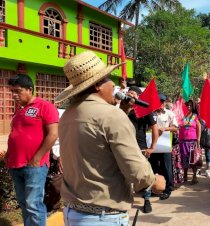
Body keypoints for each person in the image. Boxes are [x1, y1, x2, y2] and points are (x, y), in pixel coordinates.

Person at [54, 51, 165, 225]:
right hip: (102, 216)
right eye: (108, 78)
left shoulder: (68, 115)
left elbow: (96, 146)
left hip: (73, 212)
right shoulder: (111, 116)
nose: (113, 85)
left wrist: (122, 112)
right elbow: (135, 170)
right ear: (98, 84)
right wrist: (154, 182)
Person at [6, 74, 59, 226]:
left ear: (30, 89)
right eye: (12, 92)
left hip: (34, 165)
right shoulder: (19, 111)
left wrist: (37, 158)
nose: (14, 95)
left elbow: (53, 133)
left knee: (33, 204)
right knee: (23, 202)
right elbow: (15, 134)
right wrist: (9, 154)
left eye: (17, 91)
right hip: (16, 164)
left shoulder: (44, 106)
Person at [119, 86, 159, 213]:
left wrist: (152, 147)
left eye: (133, 94)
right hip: (123, 146)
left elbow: (154, 128)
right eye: (128, 93)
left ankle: (147, 199)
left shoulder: (144, 109)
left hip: (140, 148)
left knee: (144, 175)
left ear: (138, 97)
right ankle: (126, 199)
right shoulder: (121, 109)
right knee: (123, 175)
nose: (130, 96)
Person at [152, 93, 178, 200]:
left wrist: (165, 129)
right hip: (152, 143)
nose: (161, 103)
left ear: (165, 102)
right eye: (158, 101)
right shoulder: (151, 114)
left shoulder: (169, 114)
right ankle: (153, 188)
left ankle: (168, 189)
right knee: (153, 166)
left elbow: (176, 128)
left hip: (165, 143)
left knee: (167, 166)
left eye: (162, 101)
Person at [178, 99, 202, 185]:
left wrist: (198, 141)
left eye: (190, 105)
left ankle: (194, 177)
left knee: (193, 160)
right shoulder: (182, 116)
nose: (189, 107)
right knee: (184, 159)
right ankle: (185, 176)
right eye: (187, 105)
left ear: (193, 107)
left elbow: (199, 128)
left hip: (192, 141)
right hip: (182, 141)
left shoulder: (195, 116)